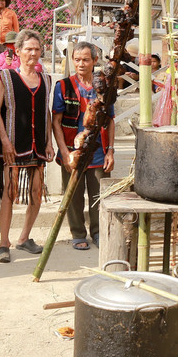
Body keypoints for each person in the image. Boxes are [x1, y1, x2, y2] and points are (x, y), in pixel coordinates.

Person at [0, 30, 56, 261]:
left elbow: (46, 112)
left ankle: (24, 238)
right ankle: (4, 243)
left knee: (37, 193)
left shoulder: (46, 80)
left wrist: (49, 142)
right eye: (28, 49)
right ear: (18, 51)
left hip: (37, 145)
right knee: (9, 193)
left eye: (37, 49)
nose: (33, 53)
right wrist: (4, 141)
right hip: (14, 143)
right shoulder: (7, 77)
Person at [53, 41, 115, 251]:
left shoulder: (104, 87)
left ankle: (97, 231)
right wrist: (64, 151)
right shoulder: (63, 86)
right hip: (72, 150)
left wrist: (110, 151)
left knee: (99, 195)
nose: (81, 64)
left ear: (95, 61)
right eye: (77, 60)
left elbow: (110, 120)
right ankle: (78, 233)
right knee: (73, 196)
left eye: (86, 60)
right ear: (72, 60)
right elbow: (56, 121)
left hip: (98, 151)